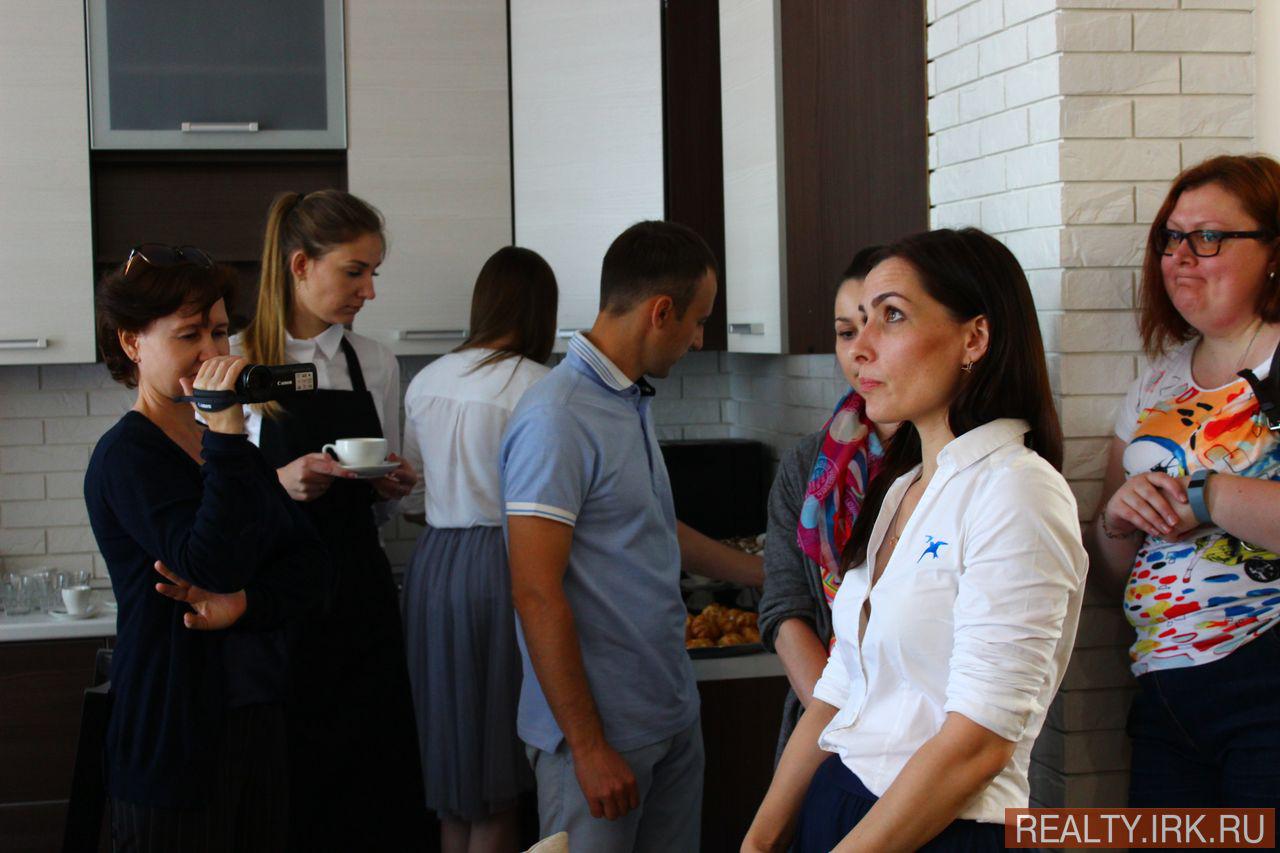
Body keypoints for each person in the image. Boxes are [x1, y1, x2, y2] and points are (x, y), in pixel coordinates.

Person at [743, 228, 1087, 852]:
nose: (860, 348)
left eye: (892, 316)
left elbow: (978, 743)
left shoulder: (1017, 491)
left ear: (974, 338)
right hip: (841, 800)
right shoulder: (901, 487)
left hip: (936, 828)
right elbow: (840, 687)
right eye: (858, 323)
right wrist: (759, 842)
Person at [500, 220, 763, 853]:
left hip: (667, 711)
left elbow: (651, 528)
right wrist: (589, 747)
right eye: (698, 321)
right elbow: (535, 592)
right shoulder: (558, 416)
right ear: (661, 312)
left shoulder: (625, 399)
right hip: (601, 737)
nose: (699, 339)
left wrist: (767, 571)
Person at [84, 245, 329, 852]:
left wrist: (243, 603)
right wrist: (225, 430)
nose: (213, 353)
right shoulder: (127, 456)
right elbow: (210, 562)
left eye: (220, 332)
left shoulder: (227, 448)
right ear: (133, 343)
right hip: (173, 735)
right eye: (189, 334)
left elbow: (312, 570)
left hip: (255, 718)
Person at [1085, 154, 1280, 809]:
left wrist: (1208, 496)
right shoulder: (1155, 384)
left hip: (1265, 678)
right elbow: (1111, 574)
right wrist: (1117, 519)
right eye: (1171, 238)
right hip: (1165, 689)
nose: (1181, 256)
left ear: (1274, 251)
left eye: (1210, 236)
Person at [236, 190, 426, 850]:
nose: (369, 291)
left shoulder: (375, 362)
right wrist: (280, 485)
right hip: (275, 605)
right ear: (299, 265)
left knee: (374, 785)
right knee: (290, 790)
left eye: (374, 273)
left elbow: (385, 505)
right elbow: (212, 509)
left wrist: (392, 486)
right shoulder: (233, 362)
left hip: (359, 596)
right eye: (354, 271)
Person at [400, 246, 559, 853]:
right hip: (506, 563)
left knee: (457, 768)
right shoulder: (540, 385)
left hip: (435, 565)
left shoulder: (427, 380)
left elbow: (413, 495)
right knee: (499, 770)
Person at [758, 246, 898, 765]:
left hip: (922, 743)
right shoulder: (808, 465)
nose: (861, 348)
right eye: (846, 331)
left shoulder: (950, 463)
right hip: (826, 738)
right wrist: (840, 727)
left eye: (887, 322)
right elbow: (785, 606)